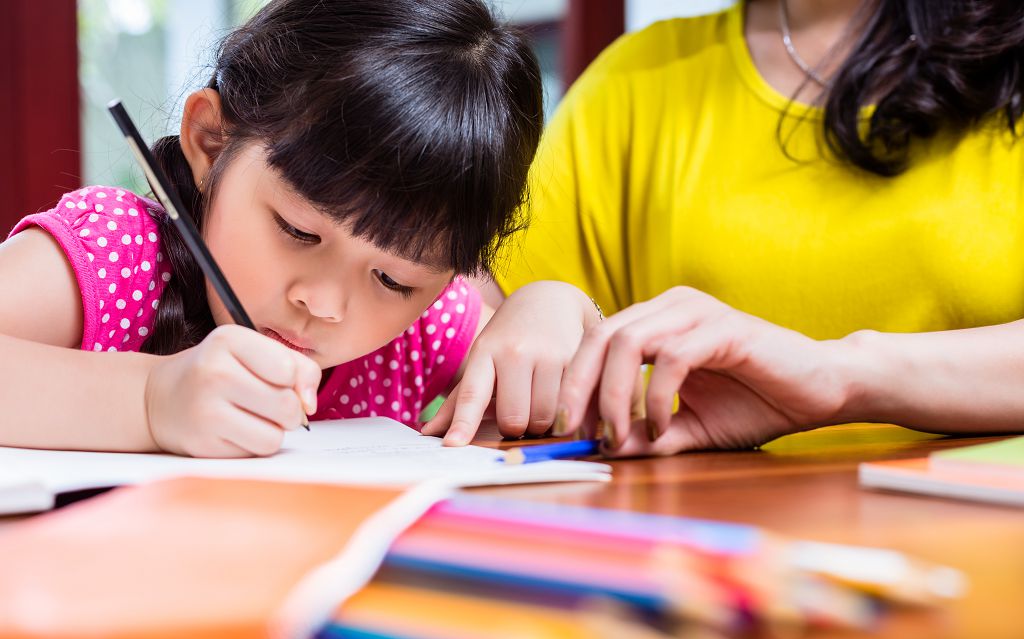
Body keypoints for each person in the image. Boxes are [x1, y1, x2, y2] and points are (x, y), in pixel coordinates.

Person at [0, 0, 601, 457]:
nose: (324, 303)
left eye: (393, 280)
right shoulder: (116, 254)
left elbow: (551, 387)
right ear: (211, 141)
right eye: (299, 231)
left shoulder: (421, 332)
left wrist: (552, 307)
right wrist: (149, 402)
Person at [476, 0, 1024, 455]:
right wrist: (544, 305)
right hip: (696, 543)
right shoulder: (635, 80)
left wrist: (839, 377)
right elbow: (459, 336)